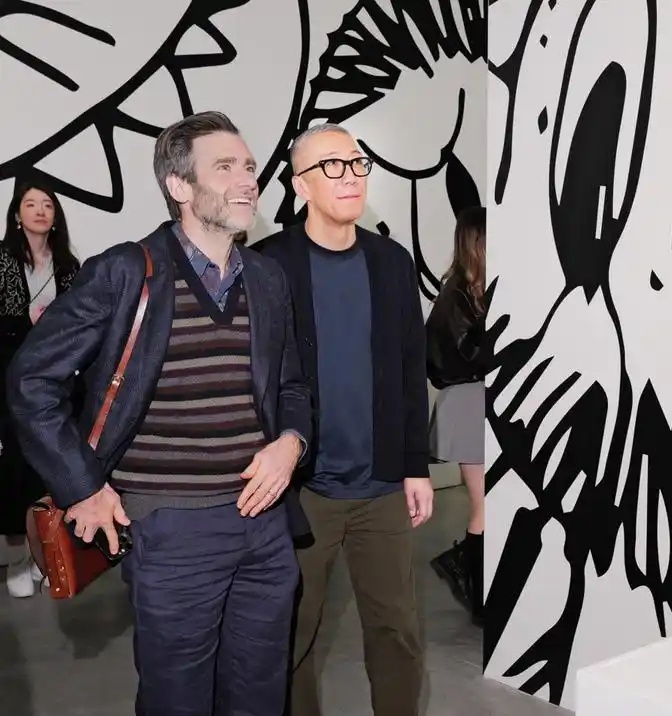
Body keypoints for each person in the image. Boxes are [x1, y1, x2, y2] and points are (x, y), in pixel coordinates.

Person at [6, 111, 313, 716]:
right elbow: (30, 380)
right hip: (170, 529)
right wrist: (82, 486)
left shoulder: (267, 278)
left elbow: (293, 386)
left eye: (249, 166)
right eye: (224, 167)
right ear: (179, 186)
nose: (247, 180)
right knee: (179, 700)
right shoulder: (126, 272)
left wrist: (292, 444)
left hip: (266, 527)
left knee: (261, 696)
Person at [256, 122, 433, 716]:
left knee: (397, 632)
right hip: (303, 491)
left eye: (357, 163)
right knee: (293, 636)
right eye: (331, 165)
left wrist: (415, 466)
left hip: (381, 486)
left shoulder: (391, 262)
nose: (351, 176)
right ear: (300, 185)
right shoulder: (270, 264)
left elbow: (411, 370)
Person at [0, 179, 80, 598]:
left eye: (47, 205)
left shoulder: (68, 265)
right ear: (17, 214)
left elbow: (82, 324)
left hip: (57, 381)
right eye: (31, 204)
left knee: (52, 465)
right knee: (16, 468)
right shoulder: (2, 260)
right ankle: (20, 557)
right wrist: (27, 323)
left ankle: (47, 553)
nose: (39, 211)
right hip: (10, 378)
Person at [426, 205, 487, 626]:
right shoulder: (456, 297)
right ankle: (480, 595)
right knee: (486, 505)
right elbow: (470, 355)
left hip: (475, 401)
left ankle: (465, 568)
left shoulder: (469, 292)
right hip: (468, 403)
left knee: (489, 504)